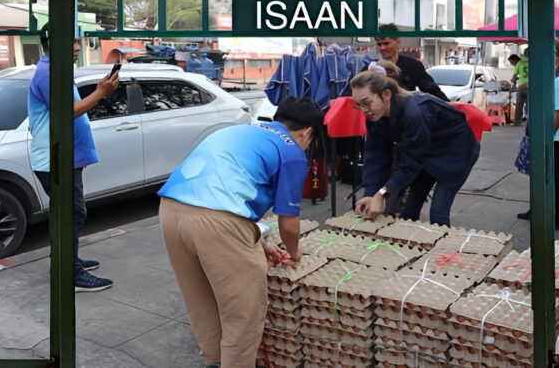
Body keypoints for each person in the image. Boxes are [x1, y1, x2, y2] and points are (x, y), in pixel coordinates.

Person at [157, 96, 323, 367]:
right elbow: (288, 224)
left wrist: (258, 242)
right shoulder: (291, 151)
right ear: (307, 132)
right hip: (218, 222)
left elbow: (226, 191)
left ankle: (214, 360)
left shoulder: (244, 131)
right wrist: (295, 252)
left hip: (170, 210)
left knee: (201, 299)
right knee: (244, 312)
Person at [28, 24, 118, 292]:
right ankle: (70, 273)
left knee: (70, 214)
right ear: (52, 42)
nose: (77, 47)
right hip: (56, 160)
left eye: (78, 41)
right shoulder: (48, 74)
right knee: (71, 215)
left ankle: (69, 261)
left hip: (64, 157)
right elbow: (66, 111)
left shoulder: (56, 70)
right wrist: (101, 92)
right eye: (72, 41)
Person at [350, 68, 480, 226]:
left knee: (438, 213)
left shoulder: (415, 112)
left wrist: (381, 194)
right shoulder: (374, 116)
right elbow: (376, 155)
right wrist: (371, 194)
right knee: (409, 211)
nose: (364, 110)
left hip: (455, 152)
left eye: (367, 103)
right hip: (424, 151)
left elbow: (411, 161)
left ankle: (443, 242)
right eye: (358, 105)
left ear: (386, 95)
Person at [516, 39, 559, 229]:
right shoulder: (552, 77)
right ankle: (538, 210)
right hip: (542, 133)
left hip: (554, 137)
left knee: (553, 177)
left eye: (552, 54)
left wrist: (547, 136)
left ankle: (554, 217)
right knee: (540, 176)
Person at [374, 23, 449, 101]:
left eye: (386, 43)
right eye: (379, 44)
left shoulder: (413, 66)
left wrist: (450, 106)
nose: (382, 48)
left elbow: (433, 91)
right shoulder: (371, 67)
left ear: (397, 42)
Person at [513, 47, 529, 126]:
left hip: (520, 86)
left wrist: (514, 84)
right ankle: (528, 121)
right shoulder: (534, 62)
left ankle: (517, 122)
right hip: (529, 86)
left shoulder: (520, 62)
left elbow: (515, 75)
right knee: (529, 104)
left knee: (519, 105)